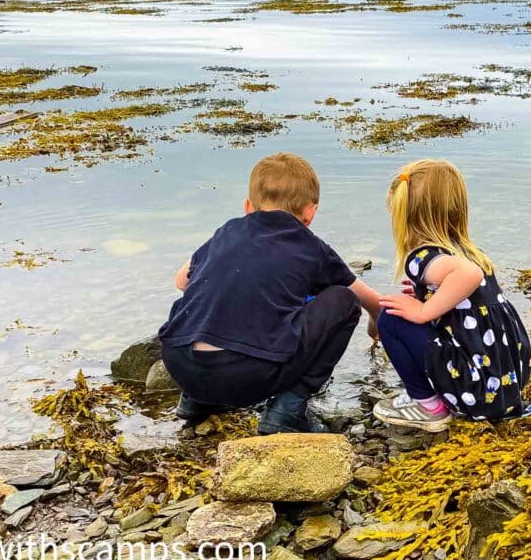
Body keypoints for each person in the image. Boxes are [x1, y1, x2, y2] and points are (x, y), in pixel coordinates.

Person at [159, 152, 381, 434]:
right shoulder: (312, 247)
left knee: (205, 299)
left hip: (181, 365)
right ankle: (288, 408)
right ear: (310, 212)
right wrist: (375, 323)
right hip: (247, 376)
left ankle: (197, 400)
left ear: (248, 206)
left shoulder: (227, 231)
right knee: (344, 301)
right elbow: (368, 300)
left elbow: (181, 282)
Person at [373, 159, 531, 432]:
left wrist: (424, 311)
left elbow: (469, 275)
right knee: (409, 309)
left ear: (405, 219)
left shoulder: (422, 258)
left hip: (477, 392)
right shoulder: (470, 252)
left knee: (390, 317)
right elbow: (469, 292)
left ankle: (427, 405)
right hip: (504, 386)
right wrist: (434, 296)